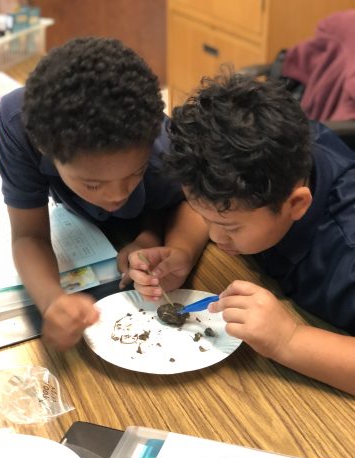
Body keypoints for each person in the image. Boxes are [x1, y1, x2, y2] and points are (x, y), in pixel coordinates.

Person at [129, 72, 355, 394]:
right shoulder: (255, 167)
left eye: (230, 228)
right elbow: (208, 207)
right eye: (208, 220)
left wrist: (289, 340)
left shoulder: (346, 250)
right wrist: (181, 251)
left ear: (296, 205)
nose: (217, 238)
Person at [0, 37, 208, 351]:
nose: (117, 194)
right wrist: (51, 300)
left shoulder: (163, 149)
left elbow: (196, 203)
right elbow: (29, 234)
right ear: (44, 150)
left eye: (135, 172)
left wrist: (178, 249)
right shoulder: (19, 123)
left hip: (142, 224)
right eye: (93, 184)